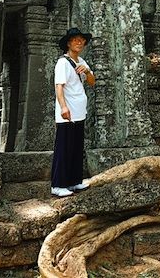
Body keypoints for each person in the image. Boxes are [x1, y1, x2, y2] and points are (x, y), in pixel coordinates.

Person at [51, 27, 96, 197]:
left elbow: (92, 82)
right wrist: (63, 107)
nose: (79, 42)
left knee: (76, 148)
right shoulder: (63, 62)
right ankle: (58, 184)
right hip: (67, 112)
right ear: (68, 43)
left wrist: (87, 71)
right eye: (75, 40)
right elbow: (59, 86)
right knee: (64, 148)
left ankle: (74, 181)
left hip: (79, 111)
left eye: (82, 40)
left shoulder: (81, 62)